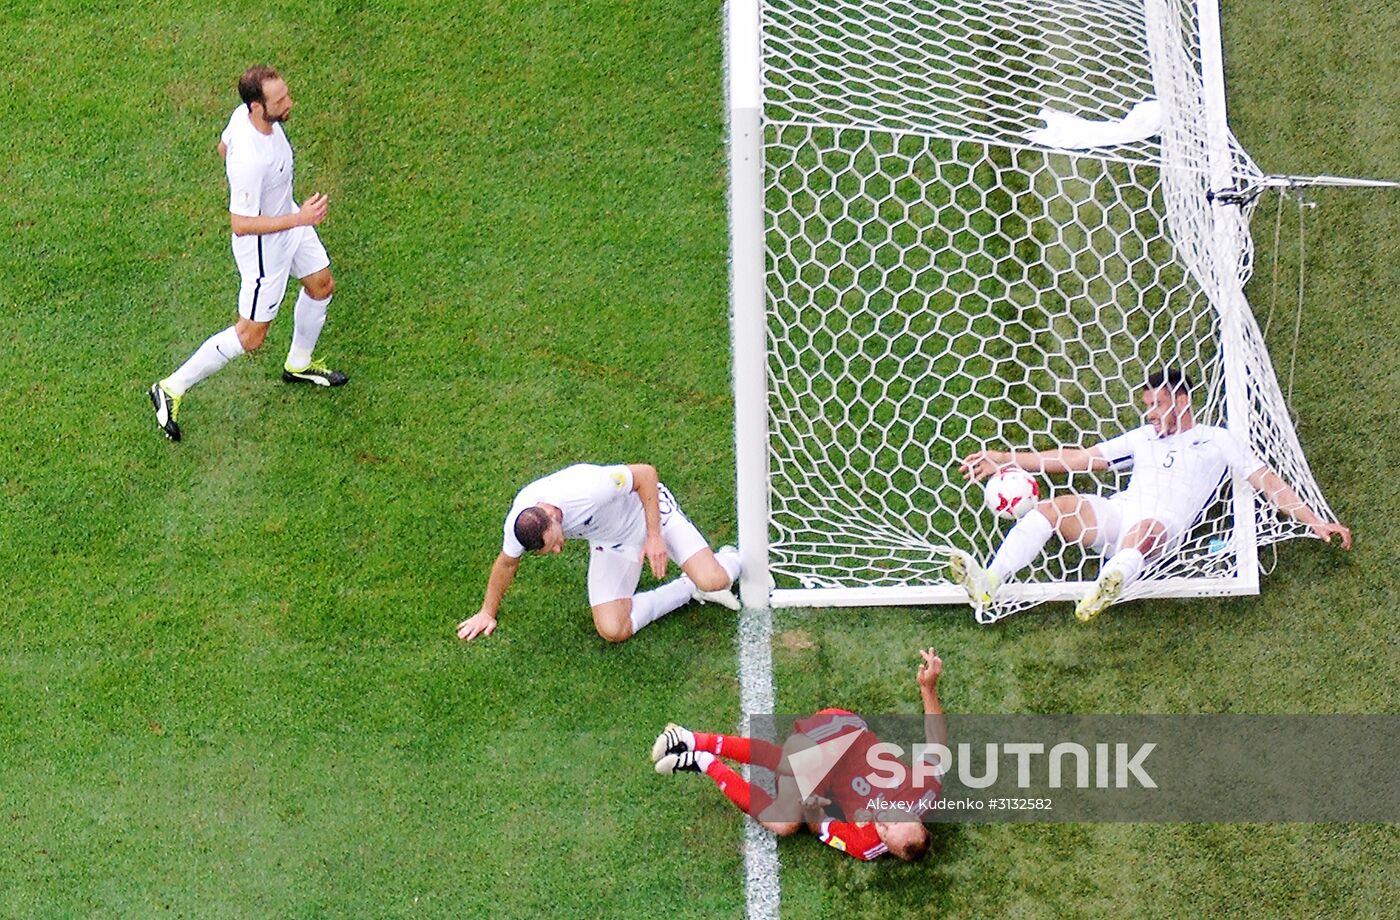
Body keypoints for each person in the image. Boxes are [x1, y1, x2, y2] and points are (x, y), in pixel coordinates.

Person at [950, 368, 1352, 622]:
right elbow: (1082, 459)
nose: (1150, 414)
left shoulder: (1216, 440)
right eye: (1146, 406)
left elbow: (1265, 480)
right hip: (1119, 516)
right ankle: (989, 581)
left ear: (1182, 400)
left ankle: (1110, 584)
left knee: (1147, 527)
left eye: (1157, 405)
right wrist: (1006, 458)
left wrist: (1315, 521)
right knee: (1053, 508)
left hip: (1159, 534)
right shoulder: (1143, 437)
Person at [148, 65, 347, 442]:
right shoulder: (251, 161)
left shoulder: (243, 116)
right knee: (251, 337)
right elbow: (241, 223)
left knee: (321, 285)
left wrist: (294, 217)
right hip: (264, 249)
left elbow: (223, 145)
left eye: (286, 95)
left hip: (291, 222)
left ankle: (299, 363)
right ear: (258, 106)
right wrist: (300, 216)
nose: (289, 103)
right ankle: (170, 387)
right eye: (280, 100)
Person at [652, 647, 946, 863]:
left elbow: (820, 825)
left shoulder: (866, 845)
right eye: (892, 821)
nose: (881, 822)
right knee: (793, 763)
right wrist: (928, 688)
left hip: (825, 779)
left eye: (883, 831)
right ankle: (692, 739)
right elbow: (937, 741)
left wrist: (812, 808)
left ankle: (702, 761)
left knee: (785, 823)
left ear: (883, 843)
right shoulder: (926, 788)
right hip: (843, 733)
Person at [456, 463, 743, 644]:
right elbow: (506, 564)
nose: (557, 550)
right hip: (613, 541)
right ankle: (689, 587)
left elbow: (646, 474)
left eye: (555, 542)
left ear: (553, 516)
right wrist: (486, 613)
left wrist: (654, 537)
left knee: (714, 579)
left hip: (649, 512)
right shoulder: (520, 523)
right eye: (549, 550)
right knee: (613, 628)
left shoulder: (588, 489)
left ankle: (734, 558)